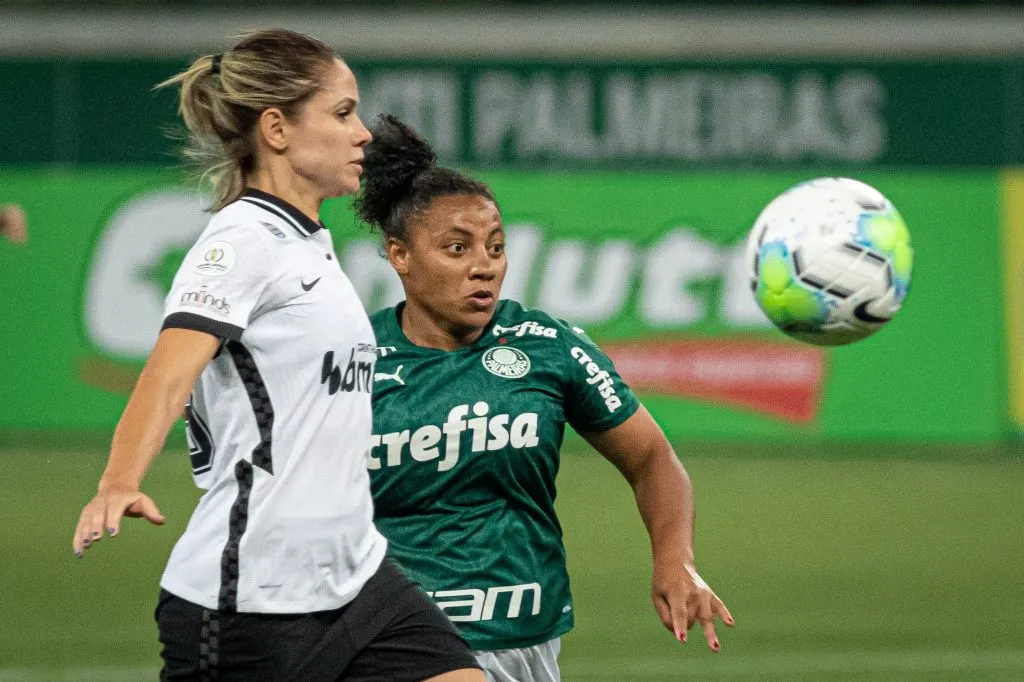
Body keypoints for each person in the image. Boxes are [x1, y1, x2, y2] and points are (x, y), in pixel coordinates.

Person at [71, 30, 484, 682]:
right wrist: (120, 480)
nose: (364, 136)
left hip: (355, 579)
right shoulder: (242, 241)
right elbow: (169, 370)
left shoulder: (305, 244)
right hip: (251, 601)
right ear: (277, 129)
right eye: (343, 113)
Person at [356, 114, 733, 682]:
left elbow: (652, 459)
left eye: (495, 246)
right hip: (392, 637)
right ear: (399, 255)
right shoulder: (350, 357)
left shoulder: (548, 346)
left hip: (525, 639)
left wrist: (674, 559)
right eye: (457, 248)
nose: (483, 266)